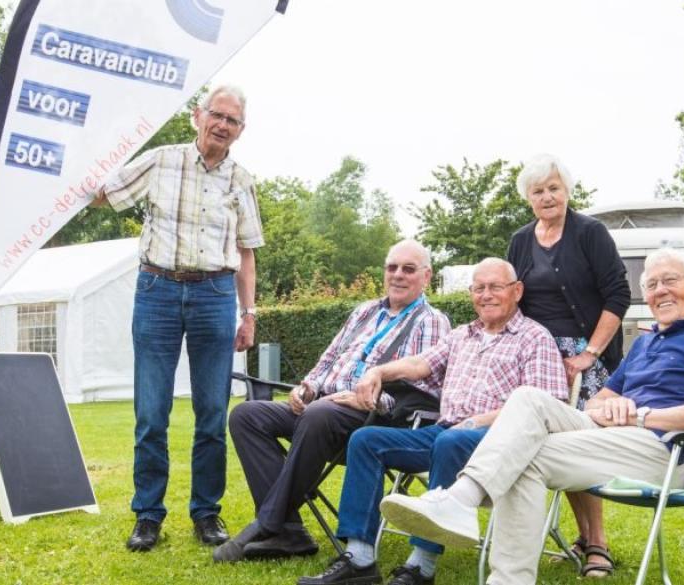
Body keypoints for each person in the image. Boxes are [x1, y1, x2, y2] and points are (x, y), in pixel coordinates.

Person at [380, 248, 684, 585]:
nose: (659, 291)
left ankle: (472, 524)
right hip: (619, 433)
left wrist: (638, 415)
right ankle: (463, 502)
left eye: (670, 281)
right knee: (527, 398)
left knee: (525, 457)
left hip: (667, 451)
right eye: (651, 284)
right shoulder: (648, 342)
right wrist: (611, 408)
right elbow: (594, 404)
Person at [297, 258, 569, 585]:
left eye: (495, 287)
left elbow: (545, 406)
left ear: (517, 291)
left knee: (449, 440)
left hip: (499, 443)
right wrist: (379, 371)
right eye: (479, 288)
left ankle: (420, 567)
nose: (486, 295)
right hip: (445, 433)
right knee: (366, 440)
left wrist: (477, 421)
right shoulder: (462, 335)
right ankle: (360, 559)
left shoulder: (534, 338)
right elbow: (420, 364)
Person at [94, 85, 262, 552]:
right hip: (157, 291)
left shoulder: (242, 181)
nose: (223, 125)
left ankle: (206, 513)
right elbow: (104, 194)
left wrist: (248, 314)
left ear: (240, 131)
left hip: (214, 295)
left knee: (211, 413)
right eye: (217, 115)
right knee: (152, 413)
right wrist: (63, 176)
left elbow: (247, 254)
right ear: (198, 116)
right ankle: (147, 515)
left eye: (233, 120)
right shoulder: (161, 160)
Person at [216, 240, 451, 562]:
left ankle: (268, 523)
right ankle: (290, 531)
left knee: (320, 415)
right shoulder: (365, 310)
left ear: (426, 277)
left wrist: (368, 399)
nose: (398, 275)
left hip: (375, 417)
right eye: (392, 267)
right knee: (246, 415)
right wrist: (307, 387)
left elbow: (423, 391)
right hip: (323, 407)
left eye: (408, 269)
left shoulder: (432, 321)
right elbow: (328, 359)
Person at [505, 154, 631, 576]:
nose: (547, 196)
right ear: (528, 198)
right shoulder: (520, 240)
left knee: (576, 443)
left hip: (583, 356)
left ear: (567, 191)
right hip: (535, 357)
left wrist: (588, 354)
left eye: (554, 188)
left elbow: (617, 295)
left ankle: (598, 542)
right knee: (535, 443)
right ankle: (575, 536)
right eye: (538, 191)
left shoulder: (590, 233)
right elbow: (512, 298)